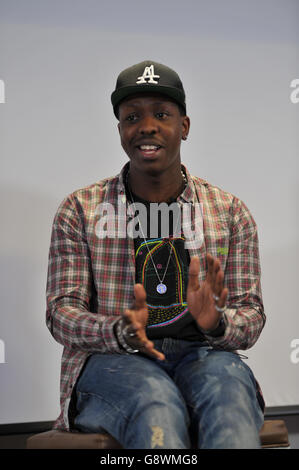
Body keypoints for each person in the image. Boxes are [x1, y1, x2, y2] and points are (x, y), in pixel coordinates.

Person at [46, 60, 266, 449]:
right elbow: (61, 312)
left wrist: (216, 322)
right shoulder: (81, 209)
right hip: (114, 358)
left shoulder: (229, 211)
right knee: (156, 403)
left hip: (204, 353)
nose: (146, 126)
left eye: (161, 114)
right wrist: (116, 330)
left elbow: (251, 314)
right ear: (120, 132)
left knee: (229, 397)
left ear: (184, 126)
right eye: (133, 117)